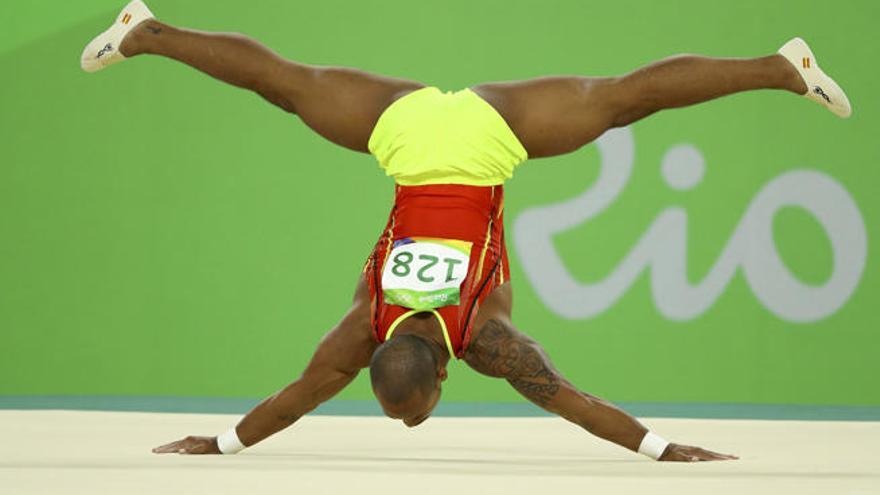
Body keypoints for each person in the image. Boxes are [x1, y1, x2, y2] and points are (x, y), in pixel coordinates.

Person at [82, 0, 850, 462]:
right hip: (411, 131)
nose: (413, 423)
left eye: (410, 411)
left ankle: (147, 32)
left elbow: (572, 401)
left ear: (445, 376)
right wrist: (220, 442)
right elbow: (295, 398)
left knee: (625, 101)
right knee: (284, 84)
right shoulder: (364, 326)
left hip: (482, 142)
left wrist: (660, 448)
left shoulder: (487, 337)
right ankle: (779, 68)